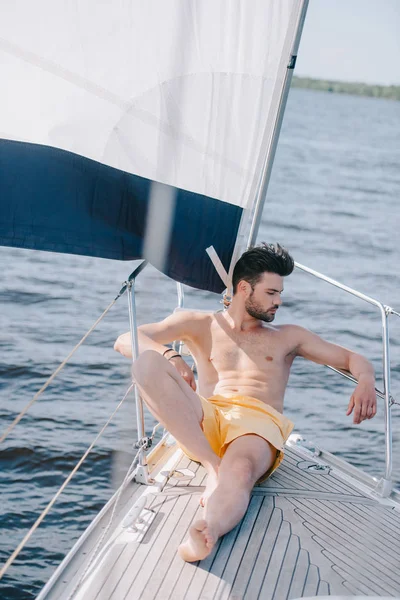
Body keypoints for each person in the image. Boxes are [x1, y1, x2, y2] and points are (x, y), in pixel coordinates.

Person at [114, 243, 377, 562]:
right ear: (243, 288)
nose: (279, 301)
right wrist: (171, 356)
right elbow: (127, 338)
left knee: (239, 469)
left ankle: (208, 529)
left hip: (256, 425)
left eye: (280, 293)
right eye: (271, 292)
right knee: (146, 364)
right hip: (206, 416)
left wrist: (365, 380)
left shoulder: (288, 335)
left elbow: (352, 358)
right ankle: (212, 464)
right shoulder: (199, 323)